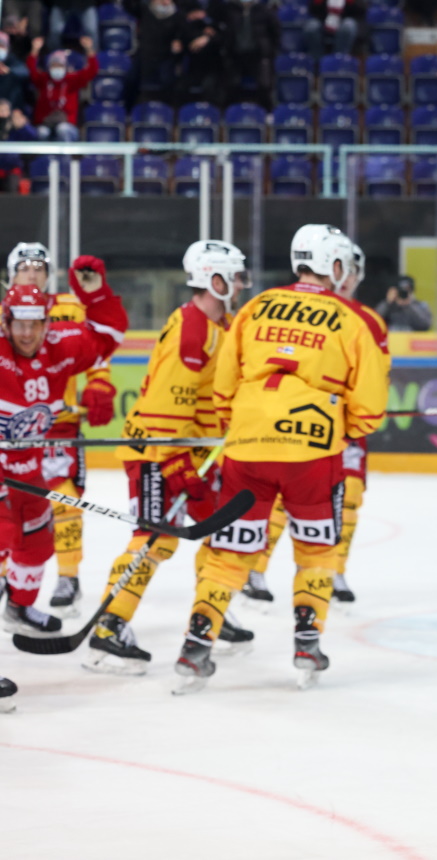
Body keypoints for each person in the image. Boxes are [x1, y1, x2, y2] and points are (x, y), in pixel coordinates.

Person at [173, 224, 388, 693]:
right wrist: (341, 426)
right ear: (334, 266)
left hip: (248, 447)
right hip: (313, 451)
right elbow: (370, 408)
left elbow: (223, 386)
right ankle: (307, 642)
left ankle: (196, 643)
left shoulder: (254, 307)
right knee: (316, 549)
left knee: (231, 552)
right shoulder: (352, 319)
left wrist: (245, 424)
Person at [83, 241, 250, 675]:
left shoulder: (220, 325)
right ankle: (110, 624)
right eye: (233, 276)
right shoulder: (191, 328)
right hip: (157, 452)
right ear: (214, 279)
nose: (239, 283)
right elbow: (165, 404)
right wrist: (176, 464)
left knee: (216, 533)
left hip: (191, 452)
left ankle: (210, 612)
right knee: (156, 539)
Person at [240, 240, 389, 612]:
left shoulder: (367, 319)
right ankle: (254, 570)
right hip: (298, 424)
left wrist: (355, 421)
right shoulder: (288, 306)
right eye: (346, 267)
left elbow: (376, 378)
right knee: (276, 498)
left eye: (355, 269)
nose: (349, 276)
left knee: (347, 500)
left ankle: (334, 571)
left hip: (341, 427)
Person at [0, 256, 127, 640]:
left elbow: (108, 337)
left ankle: (19, 606)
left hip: (28, 472)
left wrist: (96, 294)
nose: (26, 334)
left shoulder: (60, 347)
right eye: (18, 324)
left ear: (46, 323)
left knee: (38, 544)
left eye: (34, 324)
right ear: (5, 322)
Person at [26, 36, 98, 142]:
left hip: (68, 126)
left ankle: (65, 158)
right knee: (41, 132)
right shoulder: (44, 80)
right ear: (49, 68)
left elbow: (92, 71)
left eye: (59, 65)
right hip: (45, 124)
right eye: (53, 66)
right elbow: (31, 70)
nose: (56, 68)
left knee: (62, 129)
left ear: (65, 67)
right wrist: (35, 50)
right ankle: (43, 158)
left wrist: (89, 49)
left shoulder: (72, 80)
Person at [215, 0, 279, 109]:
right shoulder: (230, 10)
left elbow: (275, 32)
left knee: (265, 85)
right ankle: (230, 113)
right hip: (235, 54)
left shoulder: (263, 10)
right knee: (230, 85)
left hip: (258, 55)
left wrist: (270, 50)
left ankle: (266, 113)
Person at [124, 0, 184, 105]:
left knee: (169, 81)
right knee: (131, 79)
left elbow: (183, 33)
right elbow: (128, 6)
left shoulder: (178, 15)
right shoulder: (145, 9)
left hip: (165, 56)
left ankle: (166, 111)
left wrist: (178, 41)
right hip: (145, 54)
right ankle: (128, 109)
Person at [177, 3, 222, 105]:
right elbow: (184, 41)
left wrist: (207, 38)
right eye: (195, 13)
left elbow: (222, 39)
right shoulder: (186, 27)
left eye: (200, 13)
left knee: (210, 87)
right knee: (180, 87)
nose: (198, 15)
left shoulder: (213, 24)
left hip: (212, 68)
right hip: (192, 67)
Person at [0, 101, 36, 191]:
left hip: (12, 169)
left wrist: (23, 125)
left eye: (5, 110)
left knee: (12, 195)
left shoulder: (15, 127)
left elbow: (33, 137)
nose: (2, 114)